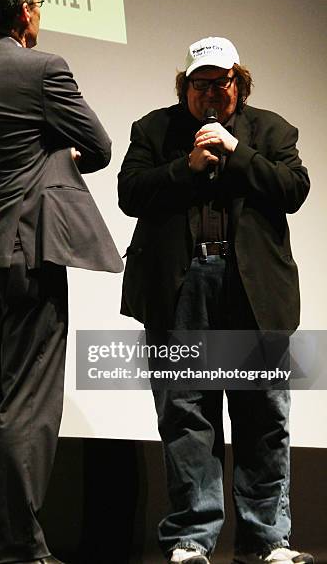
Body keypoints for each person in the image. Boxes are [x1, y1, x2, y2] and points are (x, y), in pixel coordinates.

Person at [0, 0, 122, 564]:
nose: (39, 11)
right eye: (38, 2)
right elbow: (97, 145)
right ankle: (20, 546)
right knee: (28, 402)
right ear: (23, 12)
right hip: (25, 254)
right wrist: (52, 152)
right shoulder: (43, 68)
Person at [118, 36, 313, 564]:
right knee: (186, 414)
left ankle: (267, 539)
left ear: (238, 84)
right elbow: (129, 194)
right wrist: (186, 165)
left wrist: (236, 153)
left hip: (251, 291)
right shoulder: (154, 130)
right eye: (199, 84)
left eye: (219, 83)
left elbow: (294, 188)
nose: (209, 94)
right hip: (179, 289)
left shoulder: (272, 130)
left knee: (262, 416)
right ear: (185, 87)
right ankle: (191, 538)